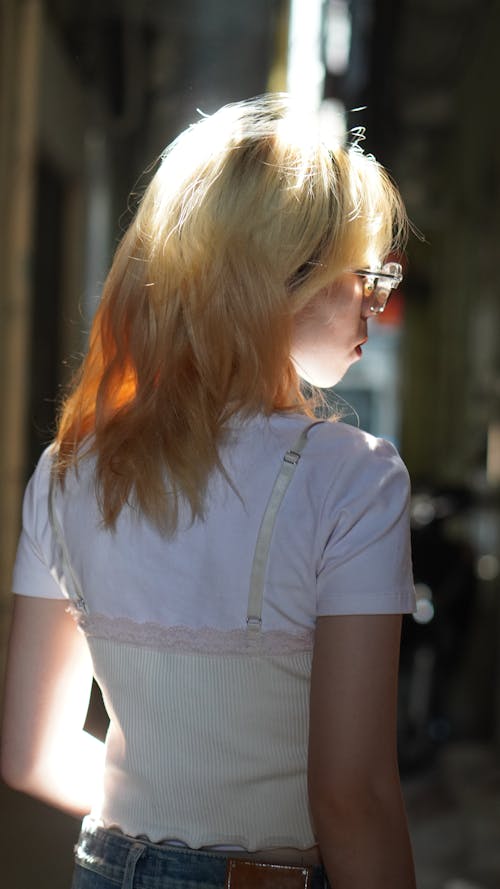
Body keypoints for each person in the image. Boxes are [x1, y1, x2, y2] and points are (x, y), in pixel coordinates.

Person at [1, 94, 417, 889]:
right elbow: (351, 796)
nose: (377, 303)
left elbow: (30, 752)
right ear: (280, 281)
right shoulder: (356, 478)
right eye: (366, 277)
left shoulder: (69, 467)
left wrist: (163, 832)